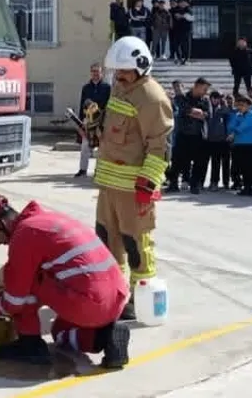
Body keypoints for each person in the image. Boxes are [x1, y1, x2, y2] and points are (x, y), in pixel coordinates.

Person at [0, 195, 132, 368]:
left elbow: (15, 300)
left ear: (1, 224)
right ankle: (108, 333)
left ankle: (31, 345)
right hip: (117, 296)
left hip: (91, 302)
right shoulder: (45, 220)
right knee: (59, 329)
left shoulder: (24, 235)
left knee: (28, 283)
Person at [93, 35, 173, 321]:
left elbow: (160, 147)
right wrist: (95, 127)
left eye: (124, 71)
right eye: (117, 71)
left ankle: (141, 300)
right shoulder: (119, 89)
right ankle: (114, 294)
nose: (119, 76)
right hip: (108, 185)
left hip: (133, 189)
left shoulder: (152, 98)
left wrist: (147, 185)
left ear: (141, 66)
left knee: (136, 245)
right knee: (106, 241)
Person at [173, 78, 211, 193]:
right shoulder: (183, 97)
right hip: (183, 133)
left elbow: (208, 115)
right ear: (196, 86)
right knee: (178, 160)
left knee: (198, 162)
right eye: (204, 89)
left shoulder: (205, 100)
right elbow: (183, 110)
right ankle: (173, 184)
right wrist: (197, 112)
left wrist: (193, 112)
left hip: (198, 135)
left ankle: (195, 185)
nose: (205, 92)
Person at [76, 64, 111, 178]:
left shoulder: (107, 88)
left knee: (101, 147)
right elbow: (82, 105)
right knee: (85, 146)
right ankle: (83, 169)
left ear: (102, 73)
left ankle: (99, 170)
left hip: (102, 121)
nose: (95, 73)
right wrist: (81, 124)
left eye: (97, 71)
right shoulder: (86, 88)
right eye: (93, 71)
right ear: (90, 73)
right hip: (88, 121)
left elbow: (109, 106)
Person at [228, 94, 252, 196]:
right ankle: (247, 188)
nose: (240, 107)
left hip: (248, 145)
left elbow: (242, 127)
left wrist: (234, 132)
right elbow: (230, 126)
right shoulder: (238, 115)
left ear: (249, 106)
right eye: (239, 105)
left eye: (243, 105)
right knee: (243, 168)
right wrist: (235, 124)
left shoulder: (251, 115)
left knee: (249, 168)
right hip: (239, 144)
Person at [204, 91, 232, 191]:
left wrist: (224, 103)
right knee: (215, 162)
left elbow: (229, 118)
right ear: (211, 98)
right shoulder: (208, 108)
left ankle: (226, 182)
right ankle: (214, 182)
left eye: (218, 98)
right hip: (212, 140)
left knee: (226, 163)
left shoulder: (224, 109)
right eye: (214, 97)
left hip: (224, 140)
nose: (216, 99)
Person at [170, 0, 194, 65]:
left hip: (186, 30)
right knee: (176, 45)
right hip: (178, 30)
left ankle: (186, 59)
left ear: (187, 3)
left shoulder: (189, 9)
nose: (181, 4)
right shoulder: (178, 9)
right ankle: (179, 58)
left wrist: (182, 16)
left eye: (183, 2)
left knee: (186, 45)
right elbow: (175, 15)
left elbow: (191, 18)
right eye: (181, 2)